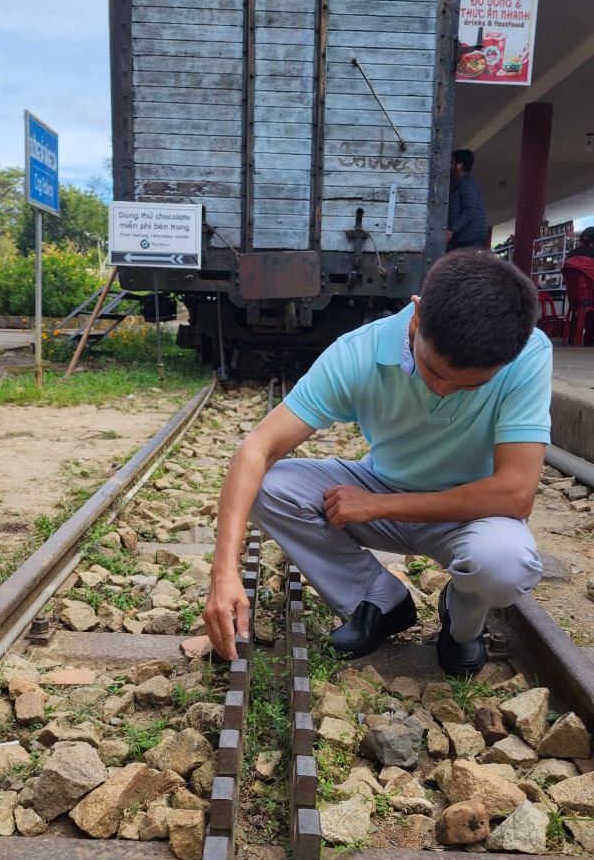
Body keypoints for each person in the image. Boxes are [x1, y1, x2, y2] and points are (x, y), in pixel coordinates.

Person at [203, 250, 551, 678]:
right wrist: (224, 571)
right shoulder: (358, 352)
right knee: (265, 485)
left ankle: (462, 625)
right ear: (418, 314)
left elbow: (516, 494)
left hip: (469, 513)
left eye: (468, 386)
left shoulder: (529, 355)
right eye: (431, 370)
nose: (442, 389)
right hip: (381, 483)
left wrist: (381, 505)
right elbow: (256, 449)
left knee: (505, 562)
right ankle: (380, 599)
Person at [447, 149, 489, 250]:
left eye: (452, 162)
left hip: (469, 243)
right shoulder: (465, 185)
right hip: (466, 242)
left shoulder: (467, 185)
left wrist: (451, 230)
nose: (450, 166)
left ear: (459, 165)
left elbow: (469, 210)